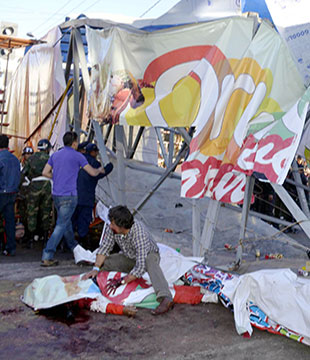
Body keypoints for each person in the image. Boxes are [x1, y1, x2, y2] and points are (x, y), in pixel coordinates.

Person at [82, 205, 174, 315]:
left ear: (122, 226)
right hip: (129, 257)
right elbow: (104, 248)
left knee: (150, 262)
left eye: (113, 224)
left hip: (148, 255)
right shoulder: (111, 227)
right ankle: (97, 284)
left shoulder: (139, 232)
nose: (110, 226)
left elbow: (140, 266)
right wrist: (95, 268)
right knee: (106, 262)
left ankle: (165, 297)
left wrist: (122, 281)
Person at [41, 131, 108, 267]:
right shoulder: (78, 156)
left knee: (66, 224)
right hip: (70, 195)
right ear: (74, 143)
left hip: (56, 195)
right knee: (61, 226)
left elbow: (45, 172)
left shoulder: (55, 155)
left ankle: (75, 249)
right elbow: (92, 172)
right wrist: (100, 170)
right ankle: (47, 255)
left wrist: (56, 177)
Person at [72, 143, 113, 248]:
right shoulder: (94, 164)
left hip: (72, 197)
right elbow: (101, 173)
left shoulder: (77, 161)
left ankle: (67, 244)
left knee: (71, 220)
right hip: (87, 198)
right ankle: (82, 245)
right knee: (83, 221)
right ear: (93, 152)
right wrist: (110, 167)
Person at [21, 139, 52, 249]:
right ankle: (44, 238)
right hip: (47, 186)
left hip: (34, 186)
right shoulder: (50, 158)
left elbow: (24, 172)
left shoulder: (32, 158)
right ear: (47, 148)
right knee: (46, 211)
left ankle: (31, 238)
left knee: (32, 211)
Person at [0, 135, 20, 256]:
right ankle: (11, 248)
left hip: (1, 192)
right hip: (12, 193)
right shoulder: (15, 159)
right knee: (10, 221)